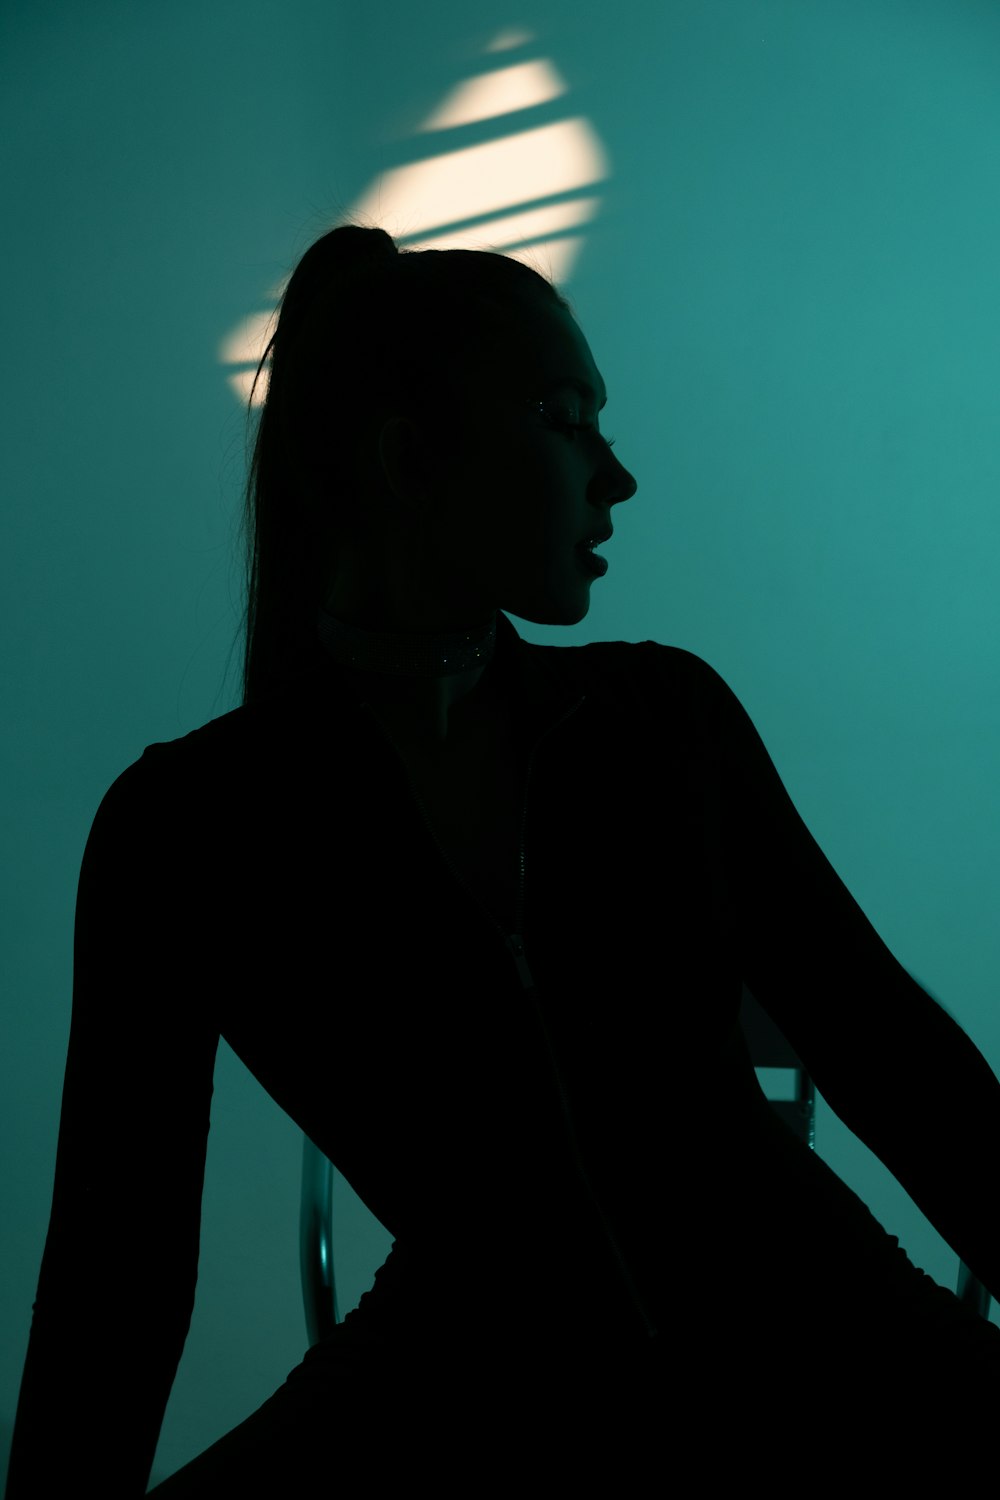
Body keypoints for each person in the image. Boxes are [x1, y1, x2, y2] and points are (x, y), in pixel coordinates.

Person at [7, 222, 1000, 1496]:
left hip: (838, 1348)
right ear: (408, 454)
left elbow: (898, 1063)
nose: (618, 475)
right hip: (468, 1399)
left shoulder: (661, 717)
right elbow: (117, 1270)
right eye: (563, 416)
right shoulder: (187, 826)